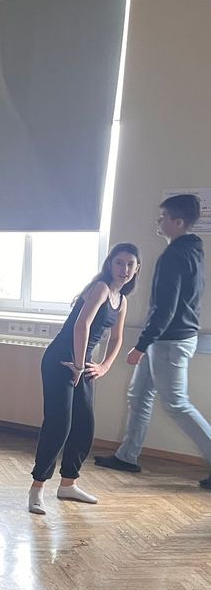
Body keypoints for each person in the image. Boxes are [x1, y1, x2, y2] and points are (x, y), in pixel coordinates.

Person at [95, 194, 211, 489]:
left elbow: (166, 307)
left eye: (164, 217)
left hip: (169, 341)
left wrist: (142, 344)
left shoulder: (174, 255)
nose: (159, 221)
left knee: (177, 404)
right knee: (139, 396)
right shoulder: (192, 251)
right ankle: (127, 456)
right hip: (168, 339)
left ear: (178, 222)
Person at [28, 244, 139, 514]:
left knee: (84, 425)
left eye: (129, 264)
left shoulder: (121, 300)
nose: (124, 269)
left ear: (137, 269)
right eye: (119, 263)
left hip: (82, 363)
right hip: (61, 360)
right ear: (110, 264)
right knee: (59, 425)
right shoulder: (101, 288)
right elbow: (81, 326)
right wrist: (78, 365)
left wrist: (104, 366)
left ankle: (68, 484)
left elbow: (117, 338)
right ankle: (37, 488)